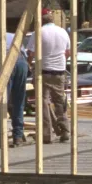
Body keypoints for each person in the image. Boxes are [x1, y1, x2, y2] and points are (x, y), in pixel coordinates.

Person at [23, 9, 71, 143]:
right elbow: (68, 52)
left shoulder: (38, 32)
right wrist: (61, 62)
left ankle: (47, 134)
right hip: (59, 72)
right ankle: (65, 130)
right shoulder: (63, 32)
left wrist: (29, 65)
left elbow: (31, 53)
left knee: (42, 102)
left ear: (41, 20)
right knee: (60, 102)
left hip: (43, 71)